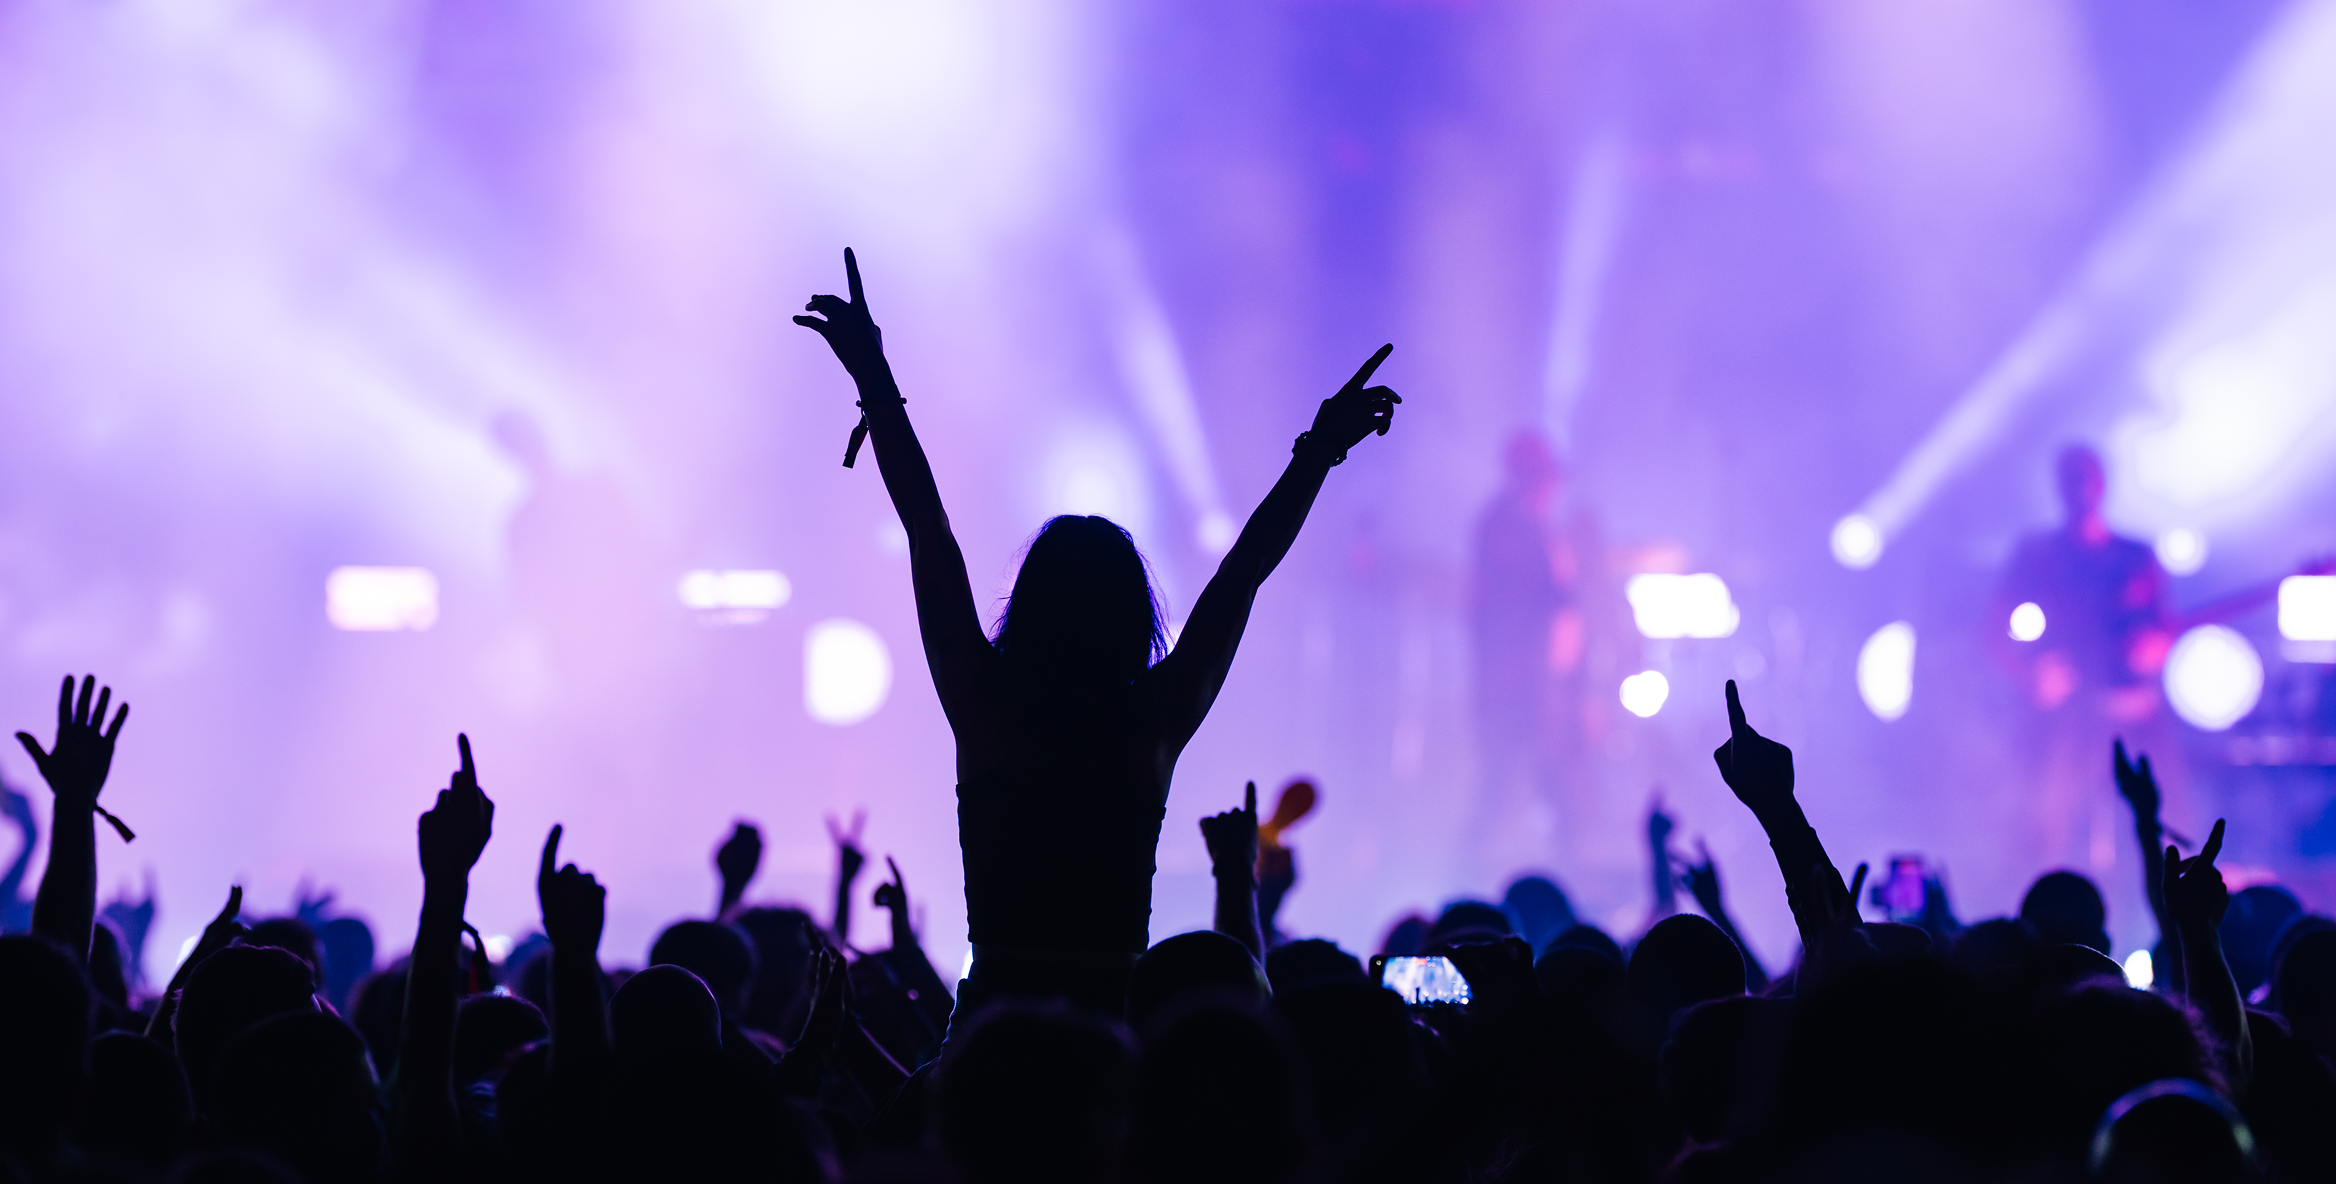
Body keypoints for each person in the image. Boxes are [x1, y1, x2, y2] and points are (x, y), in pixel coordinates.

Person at [794, 248, 1400, 1018]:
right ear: (1133, 614)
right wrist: (1320, 450)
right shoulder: (1151, 719)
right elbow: (1242, 573)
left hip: (992, 1041)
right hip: (1116, 1043)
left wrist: (875, 384)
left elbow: (929, 531)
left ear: (1031, 605)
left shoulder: (986, 706)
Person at [1991, 445, 2175, 871]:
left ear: (2102, 484)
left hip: (2128, 717)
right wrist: (2030, 676)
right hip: (2061, 722)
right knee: (2046, 826)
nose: (2081, 490)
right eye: (2072, 479)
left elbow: (2161, 631)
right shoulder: (2037, 556)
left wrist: (2149, 659)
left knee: (2155, 819)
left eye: (2086, 478)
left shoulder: (2134, 557)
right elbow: (1996, 628)